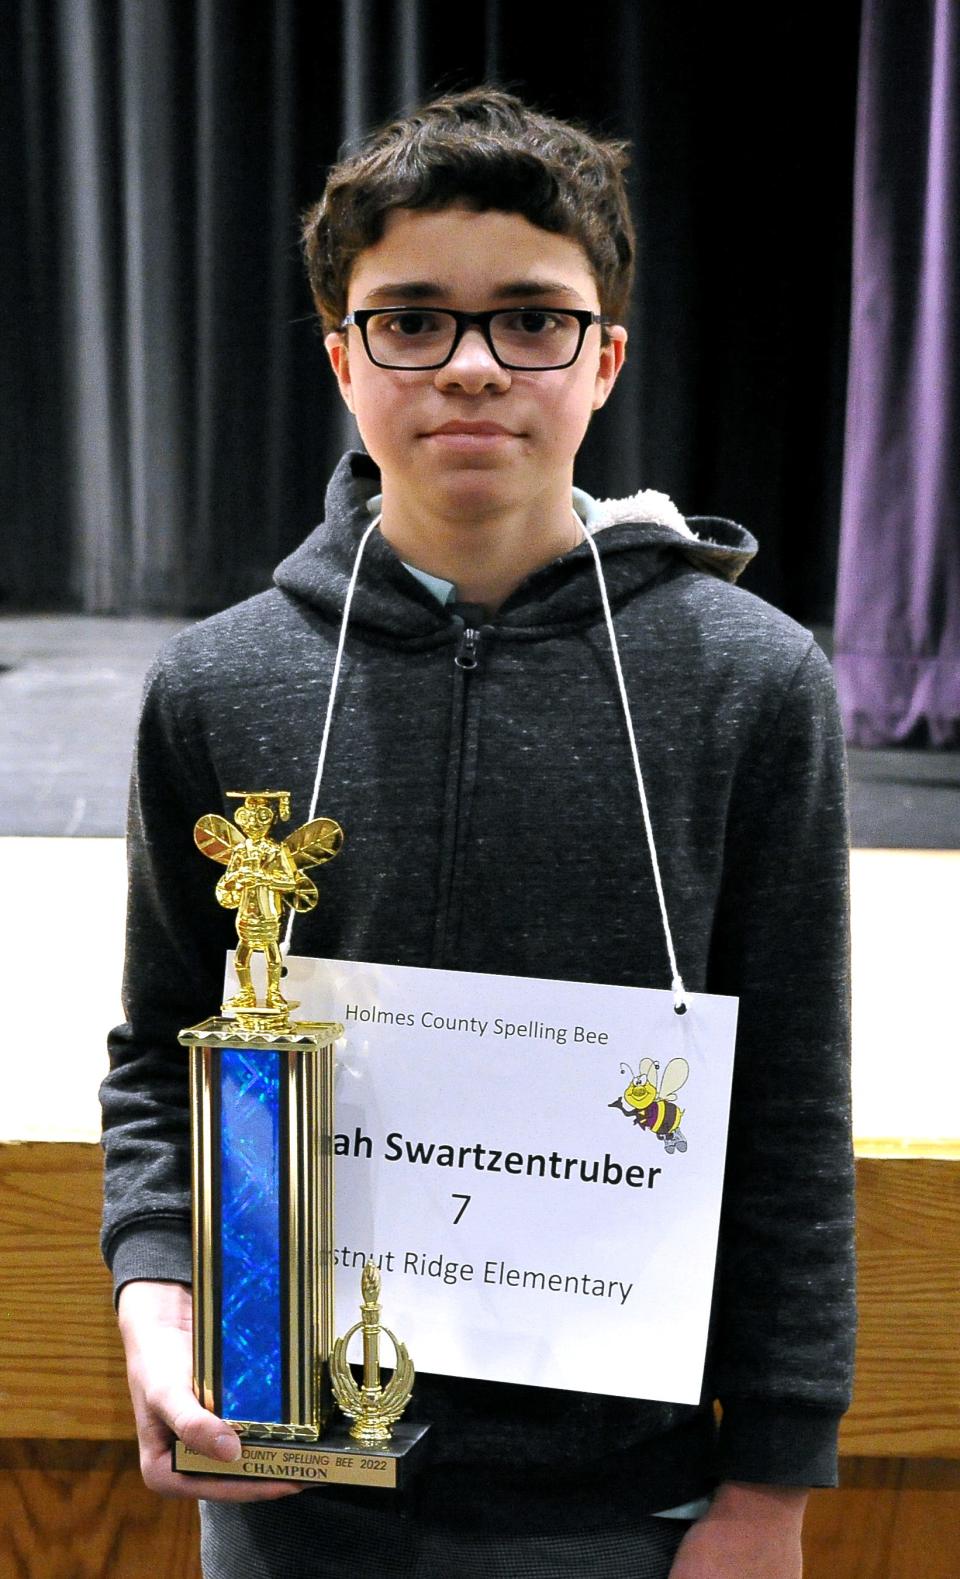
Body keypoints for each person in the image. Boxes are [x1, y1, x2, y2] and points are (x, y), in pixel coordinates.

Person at [101, 87, 856, 1579]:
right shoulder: (218, 684)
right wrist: (156, 1294)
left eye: (530, 321)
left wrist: (770, 1491)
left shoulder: (754, 685)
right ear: (341, 356)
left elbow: (789, 1112)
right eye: (410, 322)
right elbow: (163, 1052)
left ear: (605, 358)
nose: (470, 369)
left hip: (621, 1506)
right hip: (285, 1486)